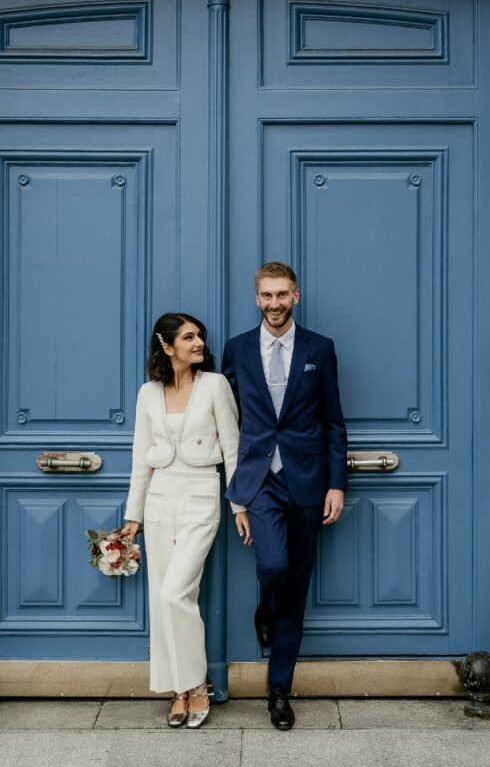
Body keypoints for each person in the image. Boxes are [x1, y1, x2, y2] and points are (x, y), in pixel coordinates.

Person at [223, 262, 348, 730]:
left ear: (295, 296)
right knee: (274, 566)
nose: (274, 304)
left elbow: (334, 421)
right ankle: (264, 607)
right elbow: (227, 421)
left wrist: (336, 483)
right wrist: (234, 494)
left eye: (282, 295)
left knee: (297, 586)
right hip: (259, 479)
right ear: (256, 298)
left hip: (308, 480)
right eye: (266, 296)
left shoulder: (320, 348)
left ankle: (279, 690)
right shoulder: (236, 350)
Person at [122, 313, 250, 729]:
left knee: (176, 593)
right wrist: (132, 516)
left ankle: (198, 685)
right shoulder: (147, 393)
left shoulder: (215, 385)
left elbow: (233, 450)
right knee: (162, 598)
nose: (199, 343)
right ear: (166, 345)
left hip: (200, 495)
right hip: (159, 500)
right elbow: (141, 457)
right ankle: (178, 690)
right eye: (189, 337)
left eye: (200, 337)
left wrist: (239, 506)